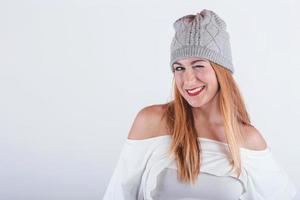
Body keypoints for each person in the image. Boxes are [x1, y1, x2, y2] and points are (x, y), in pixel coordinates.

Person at [102, 9, 297, 200]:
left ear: (221, 71)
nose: (188, 79)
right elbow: (118, 194)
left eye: (198, 65)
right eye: (179, 68)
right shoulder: (152, 122)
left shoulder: (246, 139)